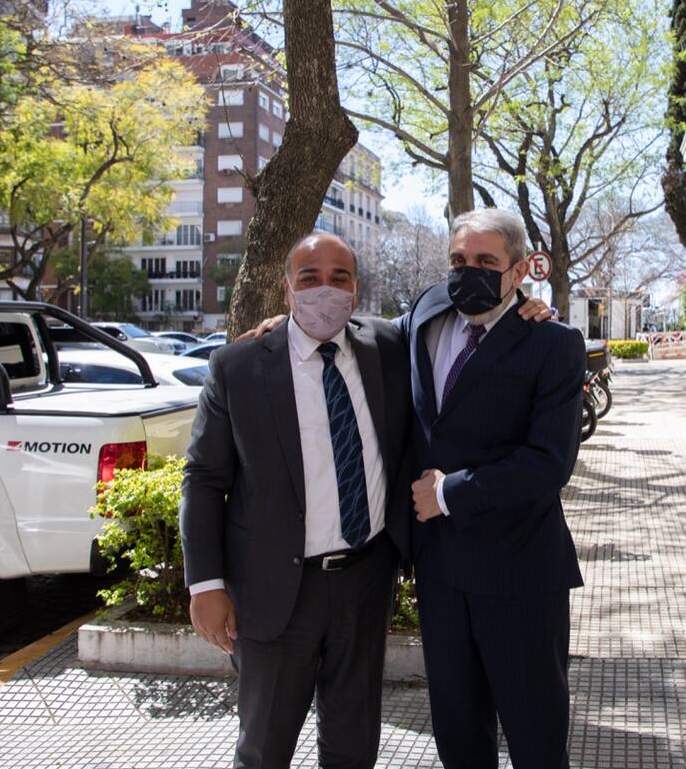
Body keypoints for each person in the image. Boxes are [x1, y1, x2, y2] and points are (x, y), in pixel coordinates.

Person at [180, 234, 413, 769]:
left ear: (355, 290)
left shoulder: (387, 349)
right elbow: (204, 478)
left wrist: (529, 306)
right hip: (274, 592)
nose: (324, 290)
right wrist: (205, 584)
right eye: (309, 278)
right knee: (264, 749)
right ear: (287, 290)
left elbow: (446, 316)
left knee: (354, 747)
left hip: (365, 582)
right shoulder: (238, 367)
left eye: (339, 278)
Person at [401, 208, 585, 769]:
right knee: (458, 739)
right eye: (458, 259)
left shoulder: (553, 343)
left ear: (518, 271)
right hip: (440, 577)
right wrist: (285, 325)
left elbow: (549, 462)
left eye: (485, 261)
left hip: (520, 576)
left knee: (536, 740)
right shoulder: (425, 315)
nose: (468, 272)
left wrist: (449, 493)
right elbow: (364, 341)